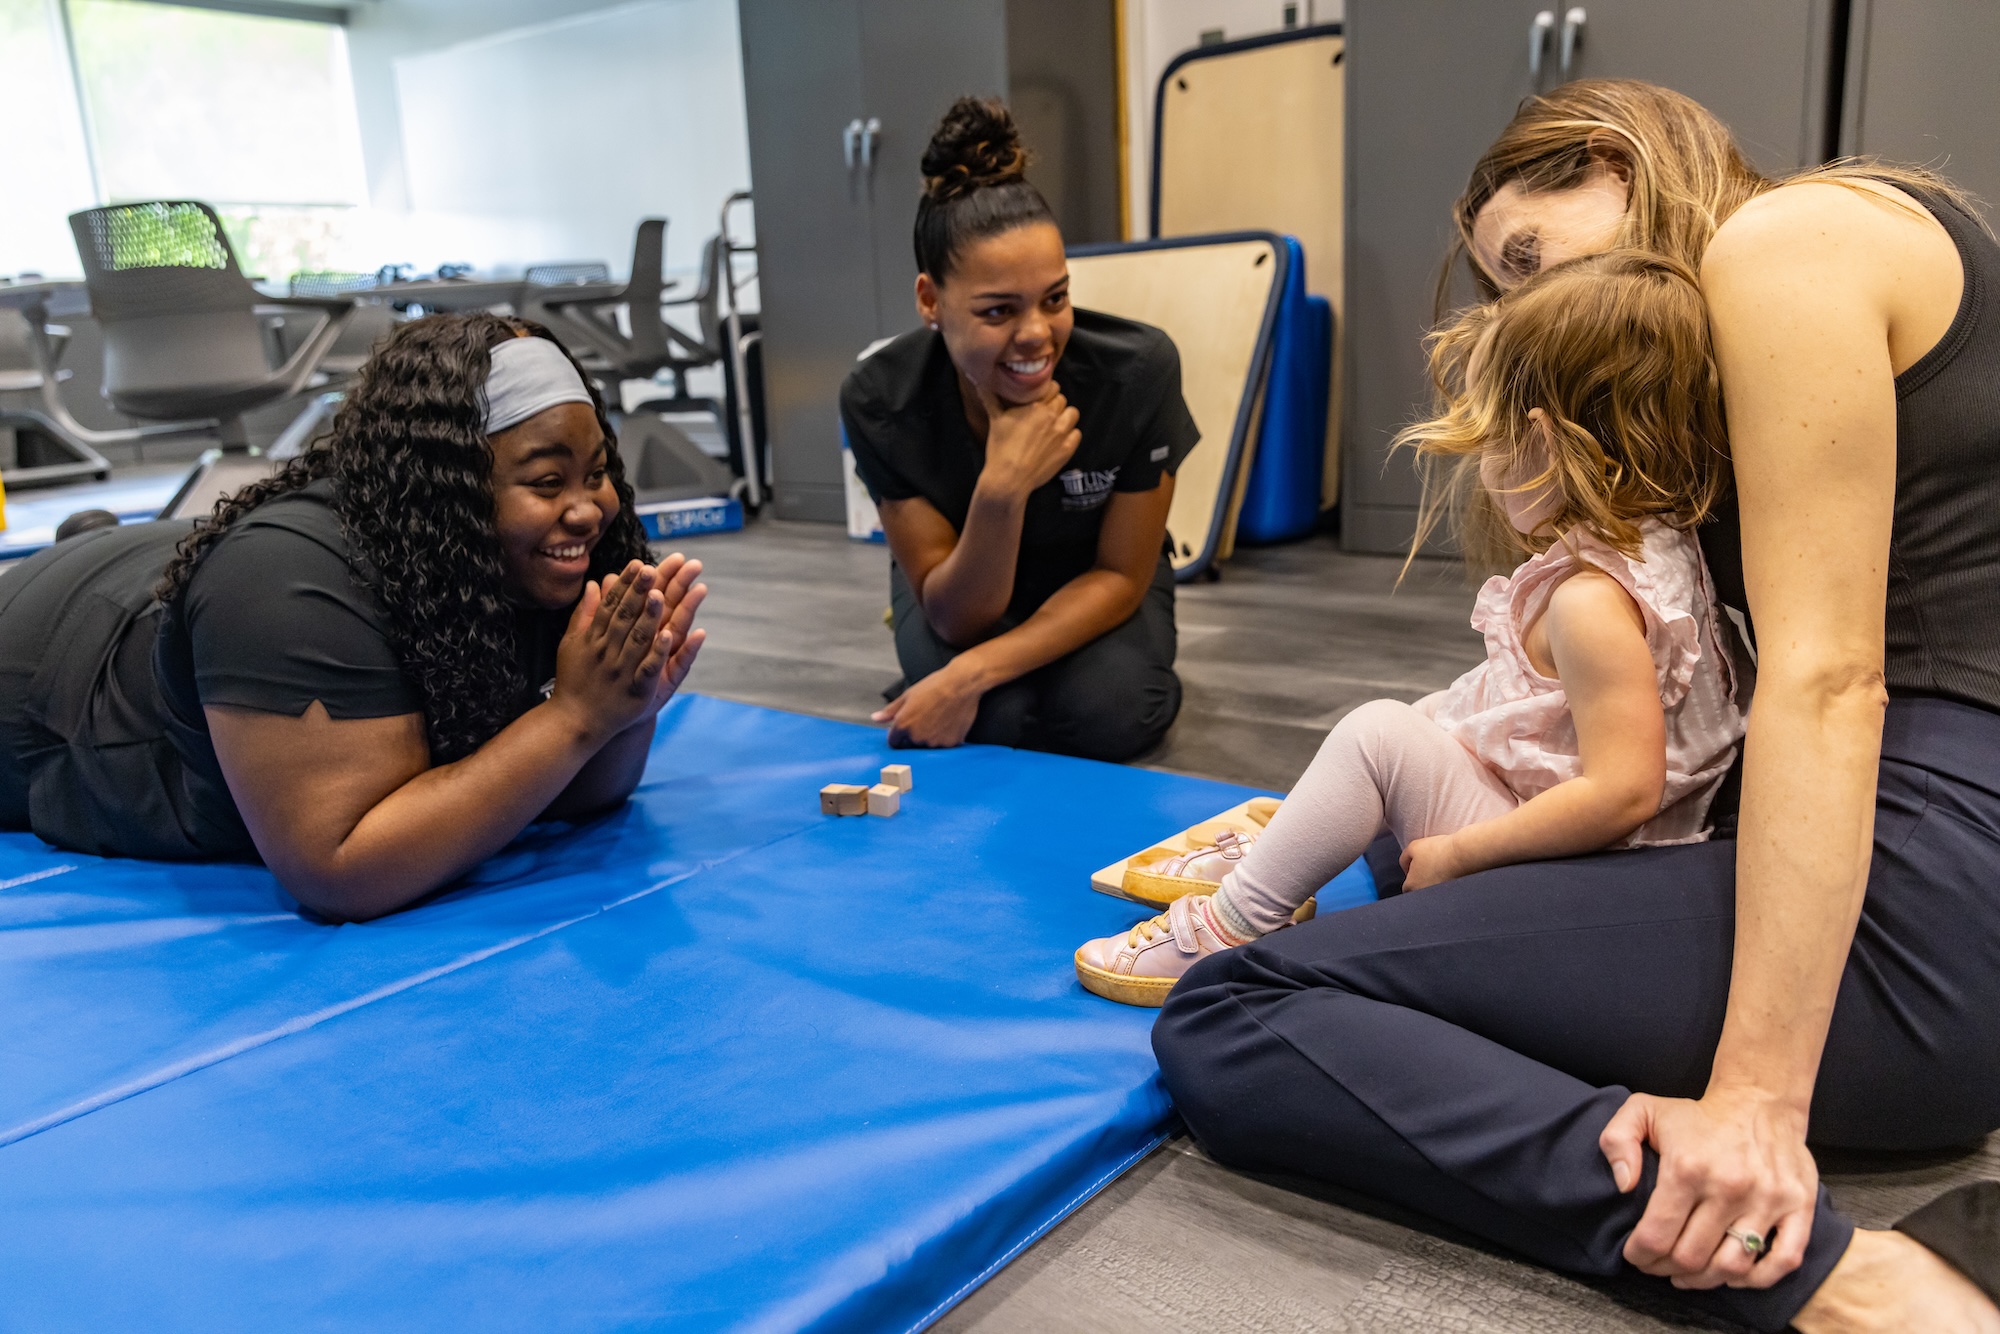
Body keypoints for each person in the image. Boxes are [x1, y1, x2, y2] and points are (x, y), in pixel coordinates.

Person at [1153, 80, 2000, 1333]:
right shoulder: (1818, 278)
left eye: (1525, 258)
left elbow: (1827, 684)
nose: (1525, 305)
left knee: (1237, 1009)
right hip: (1941, 895)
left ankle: (1806, 1262)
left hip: (1919, 915)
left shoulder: (1783, 244)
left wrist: (1752, 1104)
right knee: (1407, 859)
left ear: (1607, 161)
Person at [1078, 250, 1745, 1007]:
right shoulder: (1668, 543)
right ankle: (1283, 851)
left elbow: (1624, 792)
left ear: (1543, 442)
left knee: (1375, 736)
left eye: (1489, 440)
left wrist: (1460, 853)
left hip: (1585, 886)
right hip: (1617, 868)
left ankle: (1233, 924)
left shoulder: (1592, 604)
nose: (1484, 468)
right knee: (1437, 713)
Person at [0, 314, 707, 923]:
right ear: (450, 489)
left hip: (146, 575)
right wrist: (574, 718)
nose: (589, 509)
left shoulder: (509, 558)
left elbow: (577, 794)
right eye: (547, 482)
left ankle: (87, 537)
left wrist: (623, 707)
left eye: (595, 473)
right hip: (44, 666)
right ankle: (80, 542)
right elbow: (341, 871)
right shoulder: (288, 585)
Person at [841, 97, 1200, 761]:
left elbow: (1121, 575)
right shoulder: (879, 399)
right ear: (930, 301)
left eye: (1055, 298)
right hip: (957, 583)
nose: (1037, 335)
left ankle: (999, 675)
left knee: (1110, 713)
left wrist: (971, 672)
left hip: (1094, 574)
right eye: (999, 310)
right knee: (994, 722)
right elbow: (955, 615)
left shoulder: (1139, 370)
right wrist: (1002, 488)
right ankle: (993, 679)